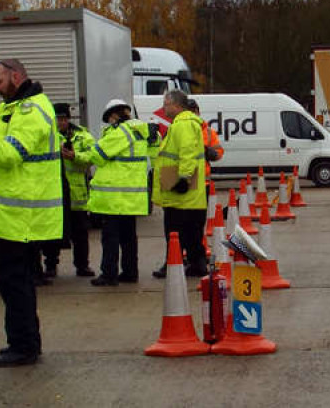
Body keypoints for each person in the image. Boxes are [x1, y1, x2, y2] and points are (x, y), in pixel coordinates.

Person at [0, 58, 62, 368]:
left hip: (19, 217)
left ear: (16, 77)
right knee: (14, 283)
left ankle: (24, 346)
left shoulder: (30, 111)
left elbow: (9, 154)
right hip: (12, 216)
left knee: (15, 283)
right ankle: (22, 342)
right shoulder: (16, 108)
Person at [72, 99, 154, 286]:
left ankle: (109, 274)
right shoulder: (140, 132)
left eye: (109, 118)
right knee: (128, 238)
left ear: (115, 115)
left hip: (115, 198)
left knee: (110, 238)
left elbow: (97, 155)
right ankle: (130, 272)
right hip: (131, 197)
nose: (109, 122)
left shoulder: (122, 132)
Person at [151, 90, 208, 279]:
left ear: (176, 105)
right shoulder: (184, 124)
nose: (163, 107)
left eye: (166, 104)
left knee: (174, 232)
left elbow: (187, 153)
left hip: (181, 191)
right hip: (184, 191)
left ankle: (173, 264)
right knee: (191, 231)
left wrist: (183, 178)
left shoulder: (183, 125)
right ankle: (195, 264)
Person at [41, 103, 95, 279]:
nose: (60, 122)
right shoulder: (48, 136)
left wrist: (74, 156)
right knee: (53, 233)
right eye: (57, 119)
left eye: (63, 119)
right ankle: (50, 265)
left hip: (77, 195)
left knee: (80, 234)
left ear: (68, 119)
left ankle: (82, 265)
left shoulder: (82, 136)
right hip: (55, 195)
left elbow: (92, 157)